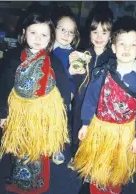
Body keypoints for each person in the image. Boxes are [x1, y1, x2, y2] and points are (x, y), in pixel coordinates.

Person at [73, 16, 136, 194]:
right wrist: (85, 123)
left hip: (125, 132)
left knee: (117, 165)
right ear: (114, 47)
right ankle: (93, 191)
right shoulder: (102, 72)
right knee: (96, 160)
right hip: (100, 128)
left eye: (132, 45)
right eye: (122, 44)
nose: (126, 49)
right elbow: (91, 99)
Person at [0, 12, 70, 194]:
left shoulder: (54, 61)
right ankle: (18, 181)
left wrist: (61, 119)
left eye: (44, 35)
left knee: (39, 150)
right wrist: (3, 114)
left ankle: (38, 184)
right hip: (19, 113)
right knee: (20, 148)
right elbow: (4, 86)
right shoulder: (14, 58)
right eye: (33, 33)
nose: (38, 39)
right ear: (24, 33)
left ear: (51, 38)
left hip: (43, 115)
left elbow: (63, 89)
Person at [68, 8, 115, 174]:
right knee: (77, 127)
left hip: (101, 105)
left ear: (111, 35)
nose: (99, 37)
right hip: (81, 101)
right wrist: (72, 68)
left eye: (104, 32)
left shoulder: (113, 59)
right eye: (95, 32)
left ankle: (93, 158)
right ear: (89, 33)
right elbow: (73, 80)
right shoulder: (82, 54)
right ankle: (76, 155)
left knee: (95, 133)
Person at [52, 13, 81, 165]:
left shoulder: (74, 54)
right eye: (62, 29)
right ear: (53, 29)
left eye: (71, 32)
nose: (66, 34)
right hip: (48, 94)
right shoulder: (48, 50)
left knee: (61, 122)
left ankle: (57, 147)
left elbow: (74, 79)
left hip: (65, 96)